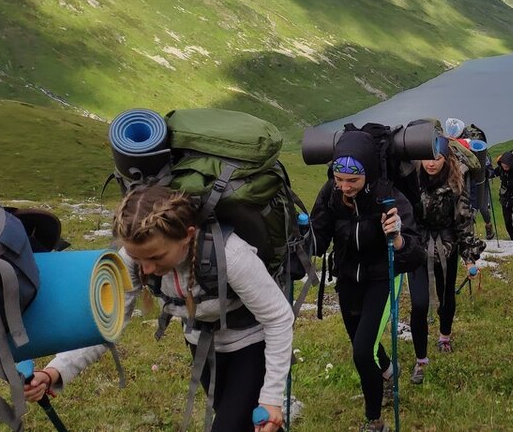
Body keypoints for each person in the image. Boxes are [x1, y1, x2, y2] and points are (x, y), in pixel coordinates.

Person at [23, 185, 294, 432]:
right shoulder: (133, 257)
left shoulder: (231, 256)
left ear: (188, 236)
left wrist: (271, 397)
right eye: (139, 259)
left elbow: (279, 319)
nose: (147, 268)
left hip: (250, 346)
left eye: (156, 257)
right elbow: (105, 322)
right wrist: (55, 371)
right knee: (250, 424)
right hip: (203, 346)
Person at [309, 130, 425, 432]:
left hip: (382, 278)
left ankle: (375, 421)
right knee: (364, 341)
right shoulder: (330, 193)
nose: (345, 187)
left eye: (353, 181)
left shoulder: (389, 197)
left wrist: (398, 238)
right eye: (340, 179)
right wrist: (301, 240)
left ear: (368, 174)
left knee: (362, 351)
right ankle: (388, 372)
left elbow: (415, 253)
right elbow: (319, 239)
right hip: (348, 278)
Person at [407, 141, 485, 384]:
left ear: (446, 159)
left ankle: (444, 337)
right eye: (427, 157)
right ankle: (421, 359)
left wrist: (469, 258)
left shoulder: (455, 183)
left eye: (437, 158)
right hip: (417, 249)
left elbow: (463, 221)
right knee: (419, 304)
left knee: (446, 296)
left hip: (447, 247)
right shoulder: (409, 180)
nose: (431, 163)